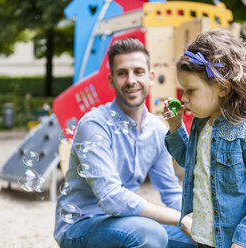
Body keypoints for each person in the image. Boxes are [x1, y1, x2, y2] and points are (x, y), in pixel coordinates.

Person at [54, 38, 197, 247]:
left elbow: (171, 192)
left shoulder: (157, 130)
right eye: (122, 73)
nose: (131, 80)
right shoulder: (94, 125)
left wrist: (198, 221)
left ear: (150, 77)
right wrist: (179, 219)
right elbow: (111, 198)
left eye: (138, 72)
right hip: (80, 225)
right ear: (112, 81)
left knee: (203, 237)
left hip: (124, 222)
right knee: (149, 233)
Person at [163, 29, 246, 248]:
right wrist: (175, 126)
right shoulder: (201, 125)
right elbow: (189, 162)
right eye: (182, 91)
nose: (184, 98)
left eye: (190, 90)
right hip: (205, 238)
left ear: (222, 88)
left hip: (235, 241)